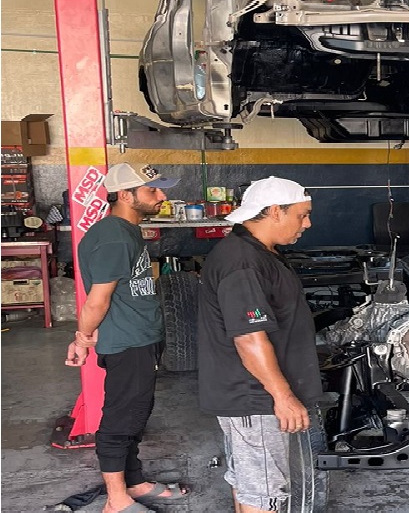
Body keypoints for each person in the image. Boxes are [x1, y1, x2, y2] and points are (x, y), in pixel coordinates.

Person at [65, 163, 188, 513]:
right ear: (125, 195)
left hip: (140, 337)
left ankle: (134, 482)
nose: (161, 196)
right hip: (128, 342)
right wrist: (82, 338)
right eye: (152, 190)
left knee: (136, 413)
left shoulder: (127, 231)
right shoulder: (114, 236)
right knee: (121, 419)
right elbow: (97, 300)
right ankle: (116, 500)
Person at [197, 176, 322, 513]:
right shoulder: (243, 262)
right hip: (255, 397)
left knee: (251, 483)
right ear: (275, 212)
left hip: (250, 395)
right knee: (265, 491)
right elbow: (249, 337)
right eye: (302, 215)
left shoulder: (255, 252)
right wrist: (283, 396)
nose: (307, 224)